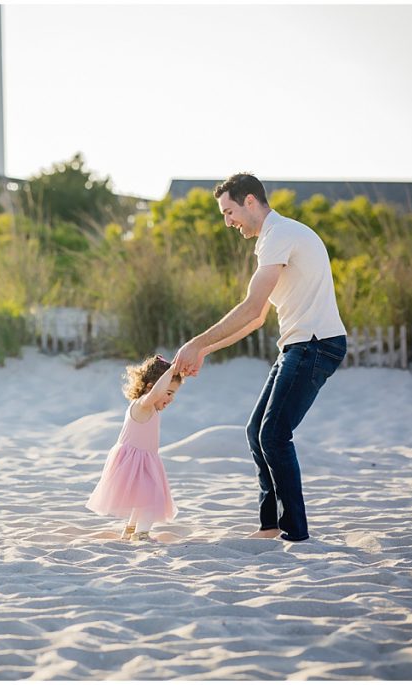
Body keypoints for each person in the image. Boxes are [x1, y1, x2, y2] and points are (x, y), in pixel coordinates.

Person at [172, 172, 347, 542]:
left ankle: (294, 534)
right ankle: (270, 527)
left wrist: (194, 344)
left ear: (250, 201)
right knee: (257, 432)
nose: (228, 221)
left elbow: (251, 308)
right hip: (298, 344)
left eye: (229, 211)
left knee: (274, 434)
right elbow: (259, 319)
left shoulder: (279, 235)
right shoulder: (273, 238)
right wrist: (203, 350)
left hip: (315, 344)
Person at [86, 355, 182, 542]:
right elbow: (156, 394)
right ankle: (141, 534)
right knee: (152, 496)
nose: (171, 399)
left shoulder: (148, 407)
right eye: (169, 392)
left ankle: (130, 531)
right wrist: (171, 370)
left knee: (144, 497)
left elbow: (158, 394)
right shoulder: (143, 404)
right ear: (150, 387)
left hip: (143, 459)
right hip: (135, 460)